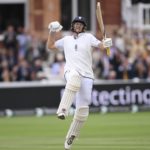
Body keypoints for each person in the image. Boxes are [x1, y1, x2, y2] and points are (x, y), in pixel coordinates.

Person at [47, 16, 112, 150]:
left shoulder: (88, 37)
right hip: (70, 71)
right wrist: (52, 32)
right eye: (76, 23)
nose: (78, 26)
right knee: (74, 77)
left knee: (83, 108)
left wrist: (106, 43)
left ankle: (71, 137)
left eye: (80, 24)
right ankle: (63, 110)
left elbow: (100, 45)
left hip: (87, 75)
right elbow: (50, 46)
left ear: (83, 27)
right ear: (72, 25)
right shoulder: (66, 39)